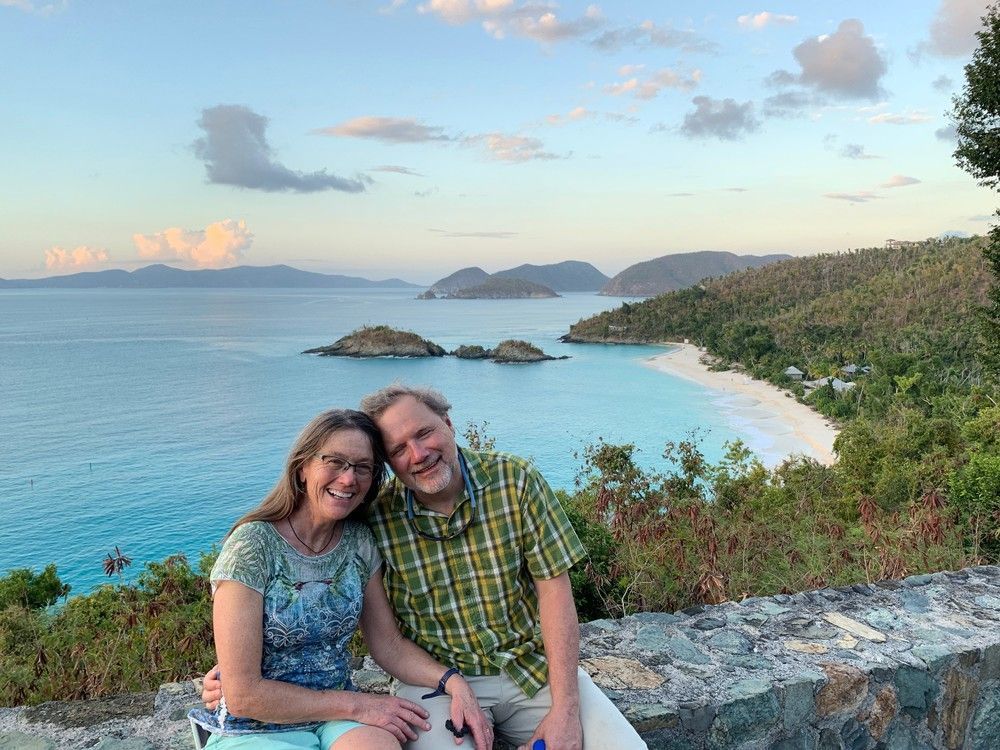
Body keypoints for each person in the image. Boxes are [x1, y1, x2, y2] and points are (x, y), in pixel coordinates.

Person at [356, 385, 647, 750]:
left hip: (531, 669)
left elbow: (555, 595)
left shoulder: (515, 481)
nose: (419, 454)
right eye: (398, 449)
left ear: (448, 423)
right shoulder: (376, 519)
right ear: (388, 463)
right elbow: (387, 642)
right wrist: (450, 681)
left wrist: (565, 711)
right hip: (436, 680)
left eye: (424, 432)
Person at [191, 408, 493, 750]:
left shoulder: (359, 542)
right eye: (334, 462)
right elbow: (244, 694)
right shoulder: (253, 545)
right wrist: (359, 704)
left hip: (337, 720)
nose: (349, 479)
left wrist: (452, 681)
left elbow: (388, 645)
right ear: (302, 468)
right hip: (255, 725)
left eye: (362, 468)